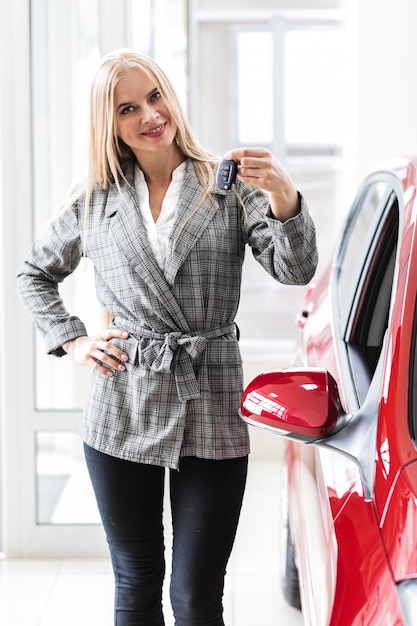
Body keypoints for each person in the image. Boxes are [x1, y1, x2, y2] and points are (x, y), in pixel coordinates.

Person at [17, 48, 318, 625]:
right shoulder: (94, 200)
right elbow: (34, 273)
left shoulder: (226, 185)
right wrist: (74, 340)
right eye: (129, 107)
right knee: (135, 582)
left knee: (195, 595)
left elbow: (295, 269)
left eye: (155, 96)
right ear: (110, 124)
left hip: (212, 395)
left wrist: (283, 194)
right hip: (121, 402)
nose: (151, 115)